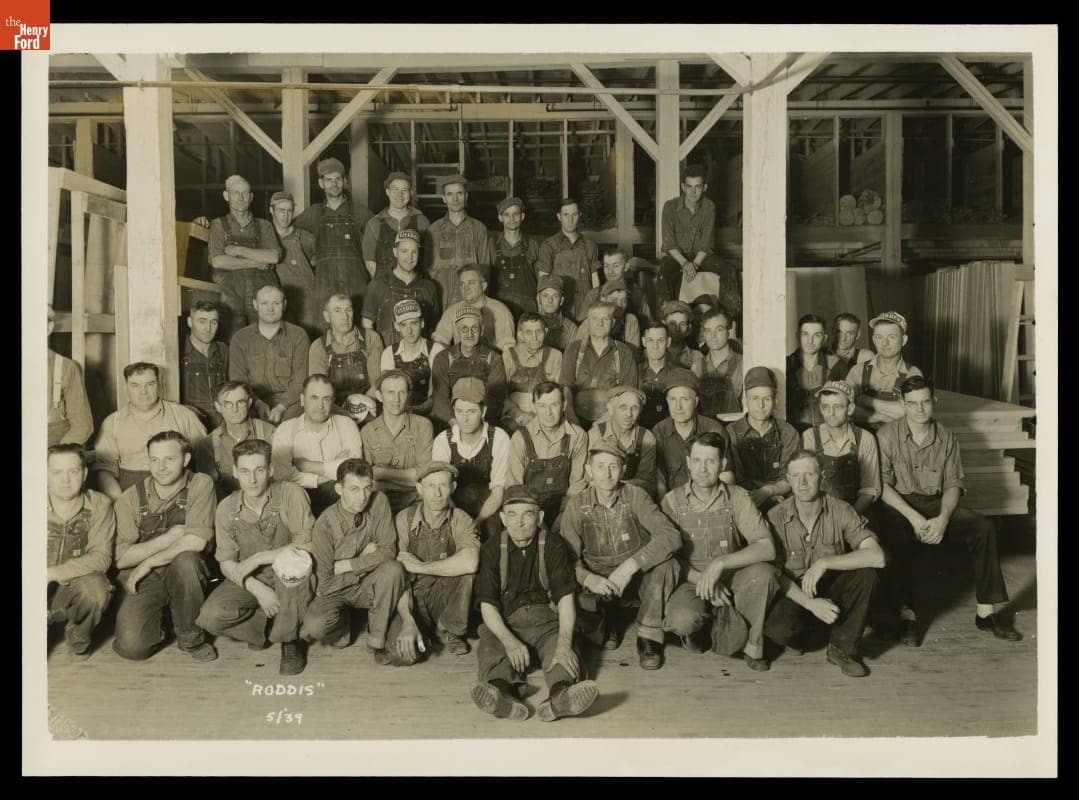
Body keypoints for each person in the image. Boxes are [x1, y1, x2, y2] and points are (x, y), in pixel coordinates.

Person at [872, 376, 1021, 646]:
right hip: (900, 505)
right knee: (894, 530)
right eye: (912, 403)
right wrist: (914, 518)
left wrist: (942, 518)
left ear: (934, 401)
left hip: (934, 503)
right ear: (902, 404)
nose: (919, 409)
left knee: (984, 528)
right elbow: (882, 487)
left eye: (925, 402)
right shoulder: (886, 435)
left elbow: (953, 484)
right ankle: (907, 615)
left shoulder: (946, 437)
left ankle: (986, 613)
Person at [471, 485, 599, 722]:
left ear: (539, 518)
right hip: (507, 623)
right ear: (502, 518)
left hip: (546, 623)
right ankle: (502, 694)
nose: (519, 523)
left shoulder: (553, 545)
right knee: (490, 646)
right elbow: (487, 604)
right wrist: (508, 641)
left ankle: (561, 695)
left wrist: (564, 642)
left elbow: (565, 598)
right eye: (512, 515)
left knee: (563, 652)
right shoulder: (491, 549)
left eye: (527, 515)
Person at [661, 432, 780, 671]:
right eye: (697, 460)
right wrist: (704, 579)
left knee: (764, 574)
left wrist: (720, 564)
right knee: (681, 620)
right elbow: (668, 558)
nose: (702, 469)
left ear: (723, 464)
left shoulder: (738, 496)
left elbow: (767, 547)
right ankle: (700, 631)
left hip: (732, 575)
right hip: (691, 579)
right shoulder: (672, 501)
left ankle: (752, 646)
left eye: (710, 461)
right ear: (688, 462)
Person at [197, 438, 316, 675]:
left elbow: (308, 545)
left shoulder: (291, 494)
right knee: (210, 617)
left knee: (292, 576)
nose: (252, 479)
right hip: (253, 577)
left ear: (270, 470)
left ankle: (290, 642)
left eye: (259, 470)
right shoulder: (226, 508)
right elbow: (226, 562)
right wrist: (257, 589)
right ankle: (269, 627)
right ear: (235, 472)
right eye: (245, 471)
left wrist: (259, 558)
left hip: (289, 572)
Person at [560, 440, 681, 670]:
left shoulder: (635, 495)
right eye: (600, 466)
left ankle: (648, 636)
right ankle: (606, 624)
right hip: (599, 583)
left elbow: (670, 536)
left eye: (613, 466)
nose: (606, 474)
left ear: (623, 470)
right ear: (589, 470)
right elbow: (567, 558)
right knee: (561, 594)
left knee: (668, 565)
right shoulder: (576, 505)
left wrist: (631, 566)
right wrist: (588, 578)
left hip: (635, 579)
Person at [764, 450, 886, 677]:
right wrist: (811, 604)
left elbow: (877, 556)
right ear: (788, 479)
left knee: (867, 574)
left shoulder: (841, 509)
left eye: (809, 474)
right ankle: (803, 638)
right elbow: (772, 573)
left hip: (831, 592)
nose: (802, 482)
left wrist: (825, 562)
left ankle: (842, 648)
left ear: (821, 476)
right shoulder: (775, 516)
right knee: (778, 629)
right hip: (795, 593)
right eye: (796, 476)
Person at [112, 431, 218, 662]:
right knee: (132, 647)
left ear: (186, 459)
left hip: (184, 572)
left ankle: (191, 636)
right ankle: (166, 617)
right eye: (154, 459)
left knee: (187, 560)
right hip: (145, 578)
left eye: (169, 459)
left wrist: (148, 561)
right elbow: (121, 559)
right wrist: (169, 537)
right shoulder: (131, 498)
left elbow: (196, 541)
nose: (161, 467)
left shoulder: (201, 483)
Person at [299, 458, 407, 666]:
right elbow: (325, 585)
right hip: (335, 591)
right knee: (315, 626)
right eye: (354, 489)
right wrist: (364, 562)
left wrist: (348, 564)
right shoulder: (324, 525)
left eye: (367, 488)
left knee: (394, 570)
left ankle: (376, 639)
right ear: (339, 489)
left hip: (368, 584)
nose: (363, 497)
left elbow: (388, 551)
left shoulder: (379, 501)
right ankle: (344, 625)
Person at [385, 461, 481, 665]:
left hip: (446, 595)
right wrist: (408, 621)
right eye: (430, 486)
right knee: (401, 655)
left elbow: (471, 562)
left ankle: (452, 629)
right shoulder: (404, 519)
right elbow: (398, 577)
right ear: (420, 489)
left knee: (467, 573)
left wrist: (419, 566)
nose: (437, 493)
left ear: (453, 487)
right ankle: (426, 632)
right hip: (413, 597)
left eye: (443, 485)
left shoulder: (460, 518)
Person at [92, 362, 207, 500]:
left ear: (159, 384)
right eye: (135, 385)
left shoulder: (184, 415)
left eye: (150, 384)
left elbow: (205, 460)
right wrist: (120, 502)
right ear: (126, 387)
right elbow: (104, 470)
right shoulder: (112, 423)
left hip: (177, 492)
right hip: (130, 493)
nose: (143, 392)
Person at [46, 444, 114, 662]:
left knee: (95, 589)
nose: (65, 480)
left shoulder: (99, 504)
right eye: (57, 472)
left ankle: (78, 639)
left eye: (73, 471)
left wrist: (52, 573)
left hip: (69, 588)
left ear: (84, 474)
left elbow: (102, 557)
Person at [271, 374, 364, 516]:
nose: (320, 406)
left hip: (339, 498)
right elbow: (281, 475)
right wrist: (324, 476)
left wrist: (308, 466)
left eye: (326, 399)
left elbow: (355, 469)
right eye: (314, 398)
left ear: (333, 401)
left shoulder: (346, 424)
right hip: (298, 500)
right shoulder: (285, 429)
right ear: (302, 400)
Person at [658, 164, 741, 322]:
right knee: (664, 274)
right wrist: (684, 263)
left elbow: (706, 243)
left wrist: (695, 264)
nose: (693, 192)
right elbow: (669, 244)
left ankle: (729, 321)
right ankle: (666, 320)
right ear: (683, 186)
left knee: (729, 270)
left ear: (705, 187)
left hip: (701, 256)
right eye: (689, 187)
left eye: (697, 187)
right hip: (677, 257)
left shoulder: (709, 207)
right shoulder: (670, 207)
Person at [431, 377, 511, 539]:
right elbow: (442, 490)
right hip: (452, 505)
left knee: (493, 534)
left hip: (488, 507)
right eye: (459, 411)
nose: (464, 419)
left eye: (471, 411)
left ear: (483, 411)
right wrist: (461, 522)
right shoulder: (443, 440)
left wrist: (477, 522)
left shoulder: (499, 438)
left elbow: (498, 493)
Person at [292, 157, 374, 312]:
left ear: (345, 181)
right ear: (321, 183)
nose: (334, 184)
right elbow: (288, 232)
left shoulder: (360, 212)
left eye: (338, 179)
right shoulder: (313, 213)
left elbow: (378, 241)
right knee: (325, 322)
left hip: (356, 282)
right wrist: (308, 259)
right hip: (325, 284)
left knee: (357, 320)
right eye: (328, 180)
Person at [507, 381, 589, 528]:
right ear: (534, 407)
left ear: (564, 405)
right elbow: (515, 488)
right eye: (542, 406)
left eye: (554, 405)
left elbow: (577, 485)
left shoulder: (578, 436)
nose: (548, 412)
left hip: (566, 509)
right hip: (529, 512)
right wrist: (537, 523)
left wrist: (563, 519)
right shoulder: (520, 438)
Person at [207, 174, 282, 328]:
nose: (241, 198)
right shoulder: (218, 225)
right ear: (226, 196)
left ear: (251, 197)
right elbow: (217, 261)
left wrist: (238, 250)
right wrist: (256, 263)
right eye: (236, 193)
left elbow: (273, 256)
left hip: (261, 291)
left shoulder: (264, 225)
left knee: (265, 334)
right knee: (233, 334)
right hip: (231, 292)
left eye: (245, 193)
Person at [229, 284, 311, 424]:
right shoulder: (240, 339)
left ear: (284, 305)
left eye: (276, 303)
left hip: (291, 403)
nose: (270, 309)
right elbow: (238, 380)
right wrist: (258, 403)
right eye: (264, 303)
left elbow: (300, 380)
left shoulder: (299, 336)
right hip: (252, 400)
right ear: (255, 304)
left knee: (293, 426)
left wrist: (281, 407)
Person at [802, 380, 881, 516]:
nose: (831, 413)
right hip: (818, 511)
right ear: (820, 408)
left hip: (855, 511)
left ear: (850, 409)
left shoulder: (866, 439)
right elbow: (805, 486)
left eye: (837, 407)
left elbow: (869, 490)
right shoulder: (810, 437)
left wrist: (849, 519)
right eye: (825, 407)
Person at [360, 370, 434, 515]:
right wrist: (410, 481)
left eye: (402, 392)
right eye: (390, 392)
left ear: (409, 395)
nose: (397, 399)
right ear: (379, 396)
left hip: (417, 502)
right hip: (378, 502)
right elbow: (368, 481)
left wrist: (381, 473)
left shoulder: (423, 425)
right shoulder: (367, 431)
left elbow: (424, 476)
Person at [652, 369, 734, 498]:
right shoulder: (659, 432)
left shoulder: (714, 429)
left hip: (710, 501)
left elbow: (726, 476)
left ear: (696, 401)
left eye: (684, 399)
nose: (678, 407)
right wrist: (666, 507)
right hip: (675, 503)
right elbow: (660, 483)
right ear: (667, 401)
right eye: (673, 399)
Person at [727, 366, 800, 510]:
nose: (761, 405)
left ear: (775, 402)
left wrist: (768, 492)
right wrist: (761, 495)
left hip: (781, 500)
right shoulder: (732, 432)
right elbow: (736, 479)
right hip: (743, 501)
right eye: (755, 398)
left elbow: (790, 477)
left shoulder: (788, 432)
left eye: (766, 399)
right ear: (745, 400)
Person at [560, 301, 639, 429]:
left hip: (612, 422)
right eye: (595, 319)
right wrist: (574, 423)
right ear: (588, 322)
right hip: (575, 420)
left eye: (605, 319)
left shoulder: (624, 352)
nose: (600, 323)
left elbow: (628, 394)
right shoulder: (573, 349)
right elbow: (565, 389)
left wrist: (600, 427)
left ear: (613, 322)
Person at [194, 381, 277, 500]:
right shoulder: (208, 444)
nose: (235, 409)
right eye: (228, 404)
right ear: (218, 407)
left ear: (249, 403)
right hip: (228, 504)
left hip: (267, 500)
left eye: (240, 402)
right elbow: (209, 489)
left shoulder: (269, 433)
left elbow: (281, 477)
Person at [362, 229, 441, 349]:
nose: (410, 257)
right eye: (404, 251)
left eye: (414, 252)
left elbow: (433, 329)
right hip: (386, 355)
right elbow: (367, 325)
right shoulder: (378, 284)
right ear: (395, 252)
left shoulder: (429, 287)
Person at [430, 306, 507, 427]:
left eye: (474, 328)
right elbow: (440, 398)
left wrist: (477, 425)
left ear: (482, 330)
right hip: (451, 421)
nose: (469, 334)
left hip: (484, 421)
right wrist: (454, 423)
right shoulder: (443, 358)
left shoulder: (494, 358)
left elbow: (495, 399)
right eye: (464, 329)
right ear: (457, 330)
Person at [846, 311, 924, 428]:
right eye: (879, 337)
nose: (885, 343)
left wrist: (866, 401)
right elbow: (845, 409)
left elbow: (912, 412)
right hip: (862, 438)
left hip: (897, 438)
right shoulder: (858, 371)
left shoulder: (912, 374)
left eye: (891, 337)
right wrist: (882, 417)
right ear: (873, 340)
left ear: (904, 340)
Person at [424, 174, 492, 307]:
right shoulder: (434, 229)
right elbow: (426, 268)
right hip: (441, 295)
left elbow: (485, 269)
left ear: (466, 196)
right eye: (449, 194)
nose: (455, 199)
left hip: (469, 296)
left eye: (459, 193)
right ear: (444, 198)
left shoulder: (479, 228)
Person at [308, 293, 384, 406]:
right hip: (333, 407)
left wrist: (361, 405)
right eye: (337, 311)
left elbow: (377, 383)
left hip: (368, 402)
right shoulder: (318, 347)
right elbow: (319, 391)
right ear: (327, 316)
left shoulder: (371, 338)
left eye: (349, 310)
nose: (345, 316)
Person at [536, 198, 600, 322]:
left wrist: (596, 305)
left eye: (574, 214)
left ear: (579, 215)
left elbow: (595, 279)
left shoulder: (589, 245)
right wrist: (541, 308)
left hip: (585, 307)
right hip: (560, 309)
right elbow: (542, 280)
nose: (570, 219)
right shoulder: (549, 245)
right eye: (566, 215)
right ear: (559, 216)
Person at [588, 386, 658, 498]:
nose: (629, 414)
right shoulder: (596, 434)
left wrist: (614, 486)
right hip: (601, 497)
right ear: (611, 409)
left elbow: (646, 482)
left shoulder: (647, 438)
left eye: (634, 408)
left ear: (640, 411)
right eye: (623, 407)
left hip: (634, 497)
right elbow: (589, 479)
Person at [378, 298, 443, 417]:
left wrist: (414, 413)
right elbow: (388, 395)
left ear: (422, 323)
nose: (409, 331)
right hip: (398, 413)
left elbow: (436, 395)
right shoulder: (389, 353)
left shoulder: (436, 350)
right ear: (396, 326)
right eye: (403, 325)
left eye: (414, 323)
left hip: (430, 413)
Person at [500, 312, 563, 434]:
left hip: (544, 414)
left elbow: (558, 394)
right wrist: (516, 413)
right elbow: (500, 394)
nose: (534, 338)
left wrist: (537, 415)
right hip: (513, 416)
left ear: (545, 331)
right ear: (520, 335)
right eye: (528, 332)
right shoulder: (508, 355)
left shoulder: (555, 355)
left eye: (538, 332)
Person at [268, 190, 320, 338]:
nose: (286, 215)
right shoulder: (265, 236)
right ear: (271, 210)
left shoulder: (305, 237)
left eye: (289, 211)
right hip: (277, 299)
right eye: (281, 210)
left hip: (306, 299)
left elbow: (320, 259)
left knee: (308, 338)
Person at [433, 264, 516, 353]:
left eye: (471, 283)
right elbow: (439, 342)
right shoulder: (452, 312)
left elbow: (507, 348)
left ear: (483, 286)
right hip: (461, 360)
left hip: (492, 360)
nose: (466, 288)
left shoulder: (500, 311)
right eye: (462, 284)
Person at [362, 171, 431, 279]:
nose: (400, 195)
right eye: (395, 189)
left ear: (411, 192)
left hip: (415, 285)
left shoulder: (422, 221)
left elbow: (428, 258)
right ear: (387, 191)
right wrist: (383, 283)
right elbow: (369, 260)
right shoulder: (374, 224)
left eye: (404, 190)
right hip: (384, 285)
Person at [786, 314, 847, 433]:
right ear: (797, 336)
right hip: (794, 434)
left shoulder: (837, 365)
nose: (810, 341)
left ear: (824, 338)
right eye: (805, 334)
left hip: (829, 432)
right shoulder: (787, 365)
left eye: (817, 335)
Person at [47, 306, 94, 447]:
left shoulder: (66, 367)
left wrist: (57, 456)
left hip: (55, 450)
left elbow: (82, 427)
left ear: (49, 328)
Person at [638, 321, 697, 431]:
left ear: (668, 342)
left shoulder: (682, 374)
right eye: (650, 340)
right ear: (643, 342)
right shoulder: (634, 372)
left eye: (660, 340)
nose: (655, 346)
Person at [488, 196, 539, 317]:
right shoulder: (491, 245)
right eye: (507, 214)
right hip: (499, 310)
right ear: (500, 218)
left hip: (528, 310)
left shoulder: (532, 244)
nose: (511, 218)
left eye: (516, 214)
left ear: (522, 216)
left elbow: (541, 280)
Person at [181, 300, 229, 428]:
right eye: (202, 321)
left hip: (222, 424)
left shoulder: (224, 350)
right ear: (190, 322)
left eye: (213, 322)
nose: (208, 329)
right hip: (191, 425)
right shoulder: (178, 350)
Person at [582, 250, 653, 325]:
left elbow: (649, 324)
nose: (610, 271)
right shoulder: (593, 295)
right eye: (606, 266)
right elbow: (582, 326)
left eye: (616, 266)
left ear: (626, 266)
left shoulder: (637, 294)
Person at [697, 308, 744, 417]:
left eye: (719, 329)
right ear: (704, 334)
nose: (713, 336)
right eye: (708, 330)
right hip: (705, 426)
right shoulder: (697, 366)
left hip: (734, 425)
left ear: (729, 332)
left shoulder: (743, 364)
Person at [574, 279, 640, 350]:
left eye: (623, 301)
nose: (619, 305)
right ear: (603, 300)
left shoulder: (630, 321)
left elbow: (634, 352)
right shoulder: (589, 323)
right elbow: (577, 351)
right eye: (614, 300)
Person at [535, 275, 579, 351]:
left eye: (555, 296)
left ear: (561, 300)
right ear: (538, 298)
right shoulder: (527, 324)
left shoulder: (571, 328)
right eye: (545, 296)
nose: (550, 300)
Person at [660, 300, 705, 372]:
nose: (677, 329)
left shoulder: (697, 357)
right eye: (672, 324)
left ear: (689, 329)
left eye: (682, 324)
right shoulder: (653, 353)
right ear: (663, 326)